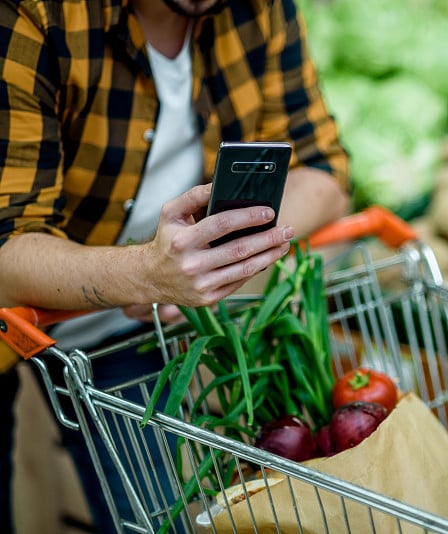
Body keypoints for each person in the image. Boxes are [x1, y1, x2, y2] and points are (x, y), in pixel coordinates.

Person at [0, 0, 350, 531]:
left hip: (126, 328)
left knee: (158, 517)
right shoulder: (37, 15)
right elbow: (6, 249)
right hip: (34, 302)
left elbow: (322, 172)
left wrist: (220, 261)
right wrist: (144, 272)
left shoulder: (258, 9)